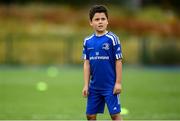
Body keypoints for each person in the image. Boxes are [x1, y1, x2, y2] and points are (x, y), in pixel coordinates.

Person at [82, 5, 123, 120]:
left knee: (115, 115)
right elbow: (87, 64)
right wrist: (86, 85)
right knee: (90, 115)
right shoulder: (87, 41)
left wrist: (118, 83)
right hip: (94, 86)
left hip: (110, 86)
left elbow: (118, 61)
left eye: (103, 19)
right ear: (91, 22)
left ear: (107, 21)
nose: (100, 22)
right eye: (97, 19)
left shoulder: (112, 38)